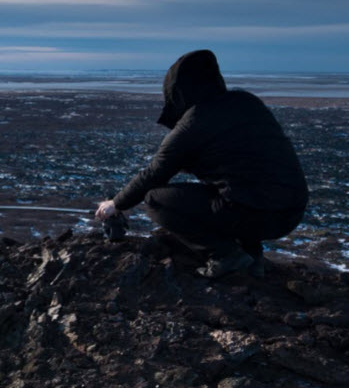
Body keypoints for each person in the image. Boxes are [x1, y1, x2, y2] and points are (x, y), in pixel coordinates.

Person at [94, 50, 308, 278]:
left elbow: (154, 174)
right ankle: (251, 258)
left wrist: (116, 204)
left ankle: (226, 256)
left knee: (156, 200)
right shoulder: (246, 102)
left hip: (254, 212)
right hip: (292, 211)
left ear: (178, 91)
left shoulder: (194, 123)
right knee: (236, 190)